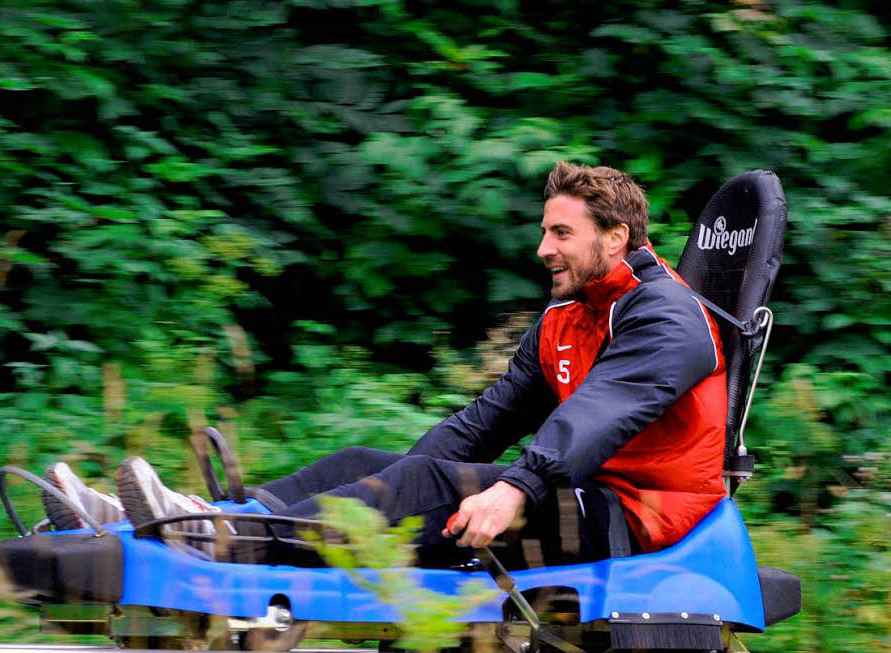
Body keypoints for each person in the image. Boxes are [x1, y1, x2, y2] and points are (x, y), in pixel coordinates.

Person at [42, 161, 727, 569]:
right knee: (363, 464)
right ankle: (187, 520)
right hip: (579, 495)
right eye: (543, 231)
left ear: (614, 236)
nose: (542, 249)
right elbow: (478, 428)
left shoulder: (665, 315)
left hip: (635, 520)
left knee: (424, 483)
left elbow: (595, 415)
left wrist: (514, 489)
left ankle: (220, 541)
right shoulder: (564, 318)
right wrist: (396, 477)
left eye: (561, 234)